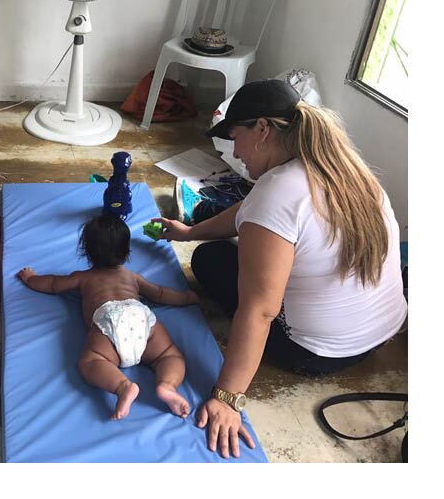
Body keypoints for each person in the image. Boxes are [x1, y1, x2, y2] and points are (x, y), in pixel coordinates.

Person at [152, 79, 407, 459]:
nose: (236, 152)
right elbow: (249, 209)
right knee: (224, 249)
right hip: (382, 334)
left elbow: (261, 310)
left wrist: (227, 397)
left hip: (316, 354)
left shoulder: (276, 191)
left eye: (235, 138)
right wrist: (189, 232)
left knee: (211, 260)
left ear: (262, 129)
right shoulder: (345, 168)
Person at [17, 213, 199, 420]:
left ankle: (123, 387)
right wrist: (186, 298)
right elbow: (159, 293)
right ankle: (167, 385)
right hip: (140, 316)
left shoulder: (83, 278)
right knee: (169, 355)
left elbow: (53, 284)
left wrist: (31, 278)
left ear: (86, 251)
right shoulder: (132, 277)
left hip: (108, 321)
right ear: (127, 251)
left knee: (90, 361)